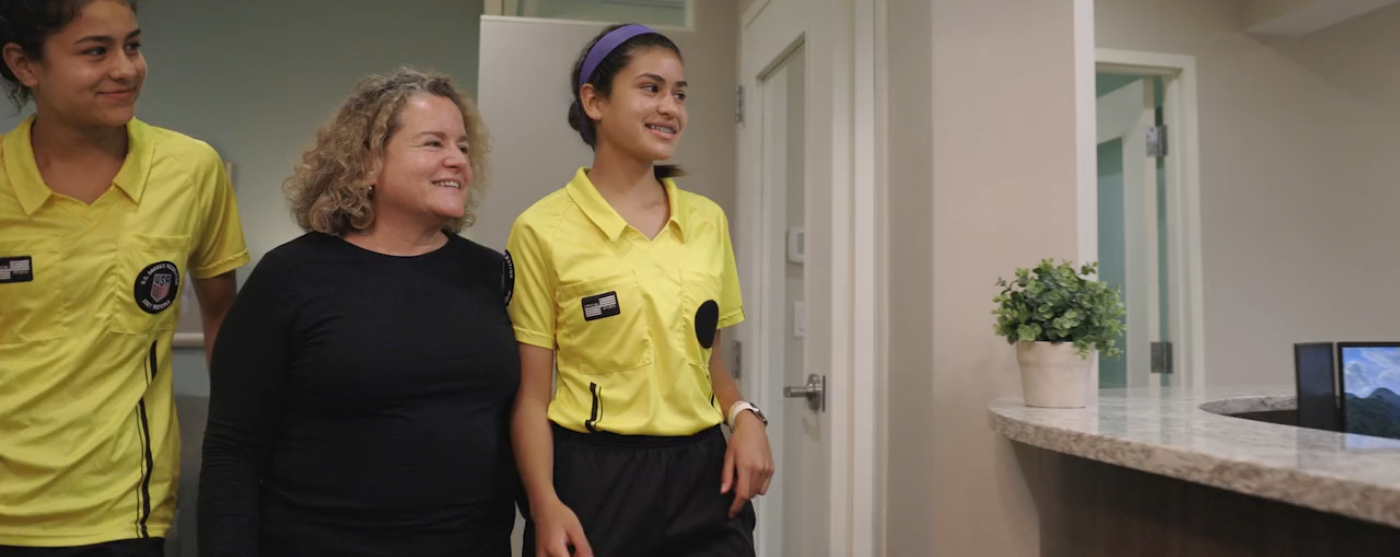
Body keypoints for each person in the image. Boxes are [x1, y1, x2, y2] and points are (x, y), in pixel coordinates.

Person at [197, 68, 519, 557]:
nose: (457, 160)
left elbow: (518, 424)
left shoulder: (492, 275)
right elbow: (232, 450)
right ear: (367, 161)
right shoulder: (290, 278)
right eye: (433, 143)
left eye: (463, 147)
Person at [508, 23, 775, 557]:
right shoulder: (542, 229)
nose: (671, 107)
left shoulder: (707, 221)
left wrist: (745, 417)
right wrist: (544, 505)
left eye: (679, 93)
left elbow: (707, 362)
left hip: (705, 476)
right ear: (595, 101)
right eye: (650, 88)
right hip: (597, 480)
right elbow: (533, 396)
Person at [0, 0, 248, 554]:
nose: (125, 68)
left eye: (132, 46)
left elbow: (221, 315)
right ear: (25, 64)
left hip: (124, 513)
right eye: (96, 51)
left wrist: (236, 459)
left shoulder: (190, 170)